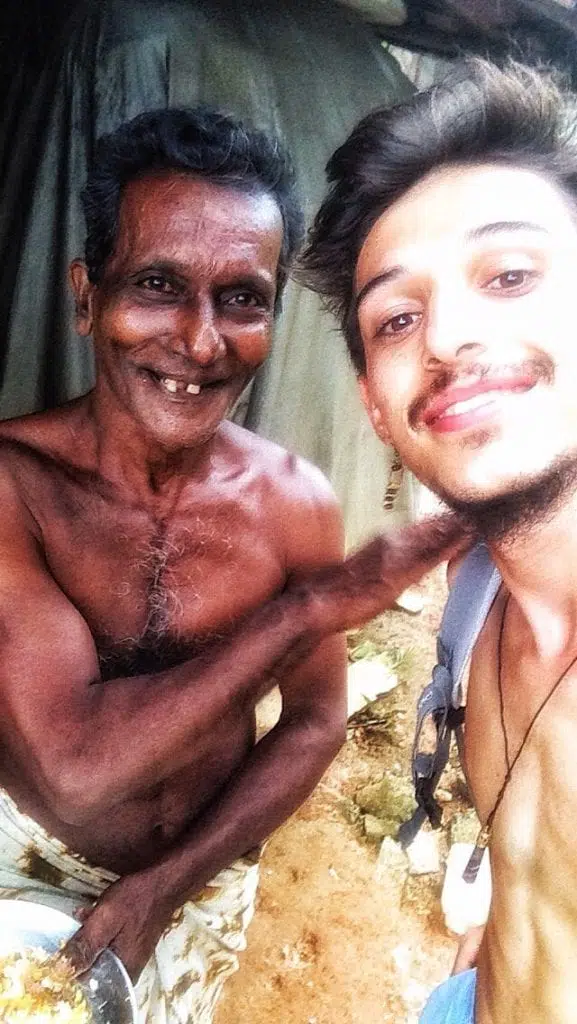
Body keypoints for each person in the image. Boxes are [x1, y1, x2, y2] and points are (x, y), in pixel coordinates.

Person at [0, 105, 463, 1023]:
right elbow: (74, 771)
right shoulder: (16, 487)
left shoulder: (293, 502)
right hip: (25, 861)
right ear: (87, 297)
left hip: (202, 877)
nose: (201, 341)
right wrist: (304, 611)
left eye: (241, 299)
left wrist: (167, 885)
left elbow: (314, 722)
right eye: (158, 285)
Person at [302, 58, 577, 1024]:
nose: (446, 336)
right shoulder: (478, 592)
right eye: (397, 318)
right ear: (375, 408)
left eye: (510, 275)